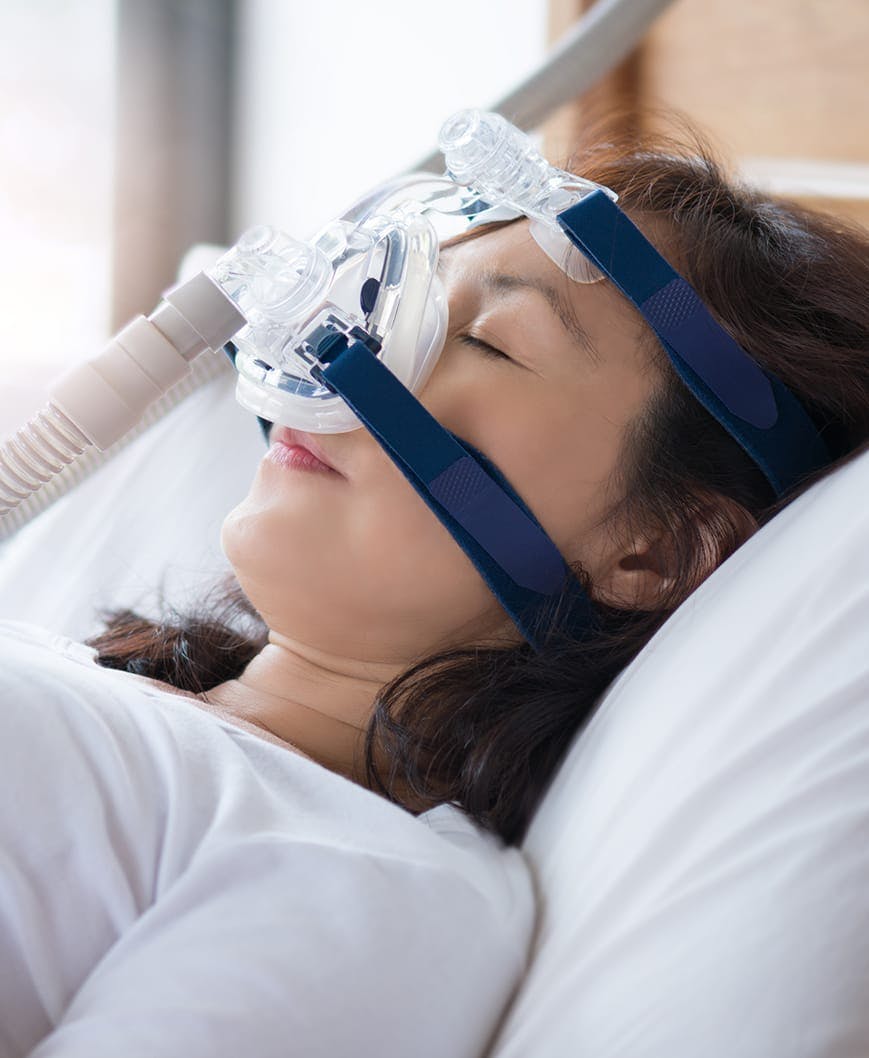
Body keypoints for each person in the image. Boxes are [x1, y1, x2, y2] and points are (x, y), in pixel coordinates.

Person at [1, 118, 867, 1057]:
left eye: (490, 342)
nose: (354, 354)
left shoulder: (355, 880)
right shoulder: (82, 680)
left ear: (650, 556)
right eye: (394, 302)